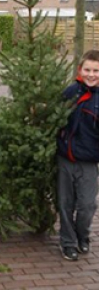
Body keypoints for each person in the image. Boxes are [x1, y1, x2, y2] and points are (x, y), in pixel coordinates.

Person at [56, 49, 99, 261]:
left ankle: (83, 235)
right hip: (66, 158)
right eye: (87, 69)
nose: (91, 74)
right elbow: (55, 117)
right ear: (80, 70)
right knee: (65, 203)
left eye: (96, 70)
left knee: (87, 205)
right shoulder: (71, 92)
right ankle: (68, 242)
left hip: (89, 162)